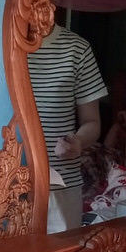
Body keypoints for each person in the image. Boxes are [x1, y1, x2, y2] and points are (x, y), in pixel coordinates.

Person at [28, 22, 107, 233]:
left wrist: (78, 141)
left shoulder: (77, 49)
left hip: (59, 186)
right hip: (5, 186)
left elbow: (92, 122)